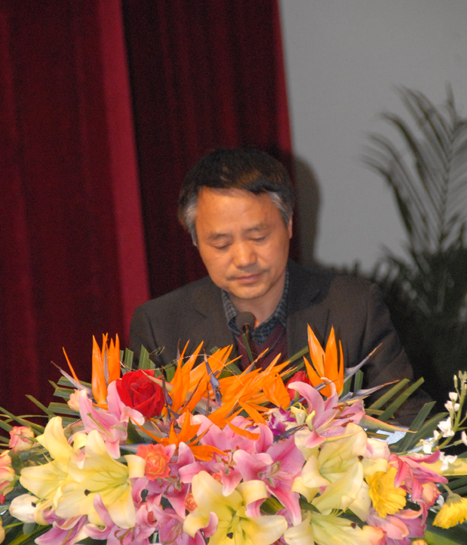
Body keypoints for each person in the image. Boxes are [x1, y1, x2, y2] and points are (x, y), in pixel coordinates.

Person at [130, 148, 422, 419]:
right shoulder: (160, 327)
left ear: (289, 224)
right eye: (221, 244)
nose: (244, 258)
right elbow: (142, 436)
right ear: (196, 241)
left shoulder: (353, 308)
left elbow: (409, 422)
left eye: (258, 237)